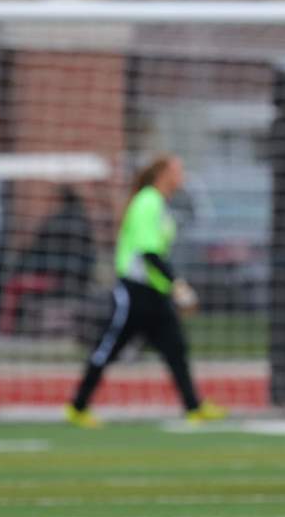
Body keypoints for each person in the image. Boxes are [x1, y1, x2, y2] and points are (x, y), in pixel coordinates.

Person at [65, 155, 226, 428]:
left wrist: (169, 286)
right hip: (134, 292)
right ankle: (78, 407)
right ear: (163, 173)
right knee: (108, 348)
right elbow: (148, 252)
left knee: (176, 348)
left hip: (154, 293)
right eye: (178, 170)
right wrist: (177, 284)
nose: (182, 175)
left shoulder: (160, 204)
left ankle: (193, 407)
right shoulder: (147, 201)